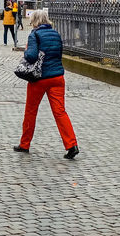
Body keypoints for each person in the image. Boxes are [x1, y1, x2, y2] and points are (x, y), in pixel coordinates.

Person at [15, 10, 78, 160]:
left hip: (39, 78)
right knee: (60, 112)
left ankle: (25, 144)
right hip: (57, 77)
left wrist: (25, 51)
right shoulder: (56, 34)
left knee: (31, 111)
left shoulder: (34, 34)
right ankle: (72, 145)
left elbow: (31, 56)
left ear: (35, 21)